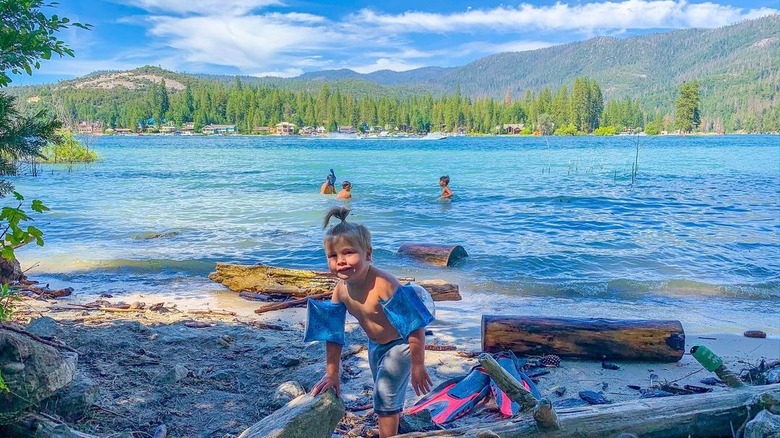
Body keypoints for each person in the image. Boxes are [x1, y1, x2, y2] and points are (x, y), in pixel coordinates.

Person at [309, 207, 433, 437]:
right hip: (375, 345)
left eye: (348, 253)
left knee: (384, 394)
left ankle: (388, 432)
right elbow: (332, 334)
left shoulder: (384, 284)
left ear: (368, 254)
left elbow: (415, 324)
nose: (341, 261)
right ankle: (391, 427)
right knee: (386, 394)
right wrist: (332, 373)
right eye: (333, 256)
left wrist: (418, 365)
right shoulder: (340, 291)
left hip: (403, 342)